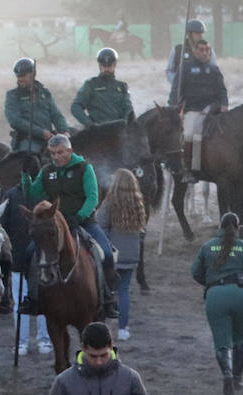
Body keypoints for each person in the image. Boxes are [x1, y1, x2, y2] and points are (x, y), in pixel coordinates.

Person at [21, 133, 118, 318]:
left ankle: (107, 297)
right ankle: (32, 298)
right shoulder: (47, 171)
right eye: (52, 153)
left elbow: (92, 197)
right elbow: (32, 195)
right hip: (53, 223)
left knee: (105, 252)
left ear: (69, 151)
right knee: (30, 254)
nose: (56, 157)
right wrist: (25, 175)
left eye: (60, 153)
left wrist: (80, 216)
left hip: (82, 221)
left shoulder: (84, 168)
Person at [191, 212, 243, 395]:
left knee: (222, 342)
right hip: (242, 296)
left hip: (216, 296)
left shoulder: (207, 247)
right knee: (240, 339)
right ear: (238, 227)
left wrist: (210, 282)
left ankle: (227, 375)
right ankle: (238, 378)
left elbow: (195, 272)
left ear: (220, 227)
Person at [98, 168, 147, 341]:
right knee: (125, 290)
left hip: (114, 254)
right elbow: (142, 229)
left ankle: (109, 324)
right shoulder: (138, 202)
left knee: (110, 291)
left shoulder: (110, 202)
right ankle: (124, 328)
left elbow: (100, 223)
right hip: (132, 254)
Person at [173, 39, 228, 184]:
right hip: (192, 109)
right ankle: (190, 169)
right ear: (194, 51)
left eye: (207, 50)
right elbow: (176, 91)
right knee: (190, 133)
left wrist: (224, 104)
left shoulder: (214, 69)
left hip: (213, 109)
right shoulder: (184, 68)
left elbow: (222, 90)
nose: (205, 53)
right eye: (201, 50)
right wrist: (174, 107)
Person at [4, 58, 69, 156]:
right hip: (28, 139)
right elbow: (15, 121)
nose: (20, 79)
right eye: (18, 76)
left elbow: (56, 114)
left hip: (50, 138)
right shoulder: (12, 96)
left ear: (32, 74)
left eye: (23, 76)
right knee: (30, 160)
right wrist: (41, 133)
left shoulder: (44, 93)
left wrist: (64, 131)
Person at [73, 48, 135, 127]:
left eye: (109, 66)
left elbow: (128, 109)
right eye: (103, 66)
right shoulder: (90, 85)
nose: (106, 69)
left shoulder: (122, 86)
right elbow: (75, 107)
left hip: (118, 131)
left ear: (115, 65)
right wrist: (90, 124)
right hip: (98, 131)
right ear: (99, 65)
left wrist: (125, 125)